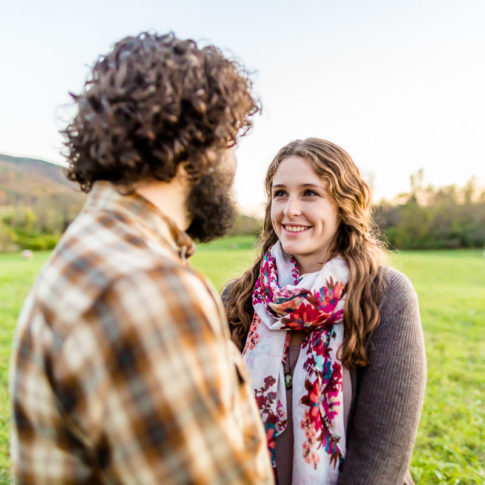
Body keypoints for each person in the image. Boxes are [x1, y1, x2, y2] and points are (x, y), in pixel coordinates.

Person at [9, 32, 274, 484]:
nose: (234, 164)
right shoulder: (145, 286)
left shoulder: (92, 253)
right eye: (230, 138)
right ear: (194, 141)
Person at [223, 138, 426, 485]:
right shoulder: (238, 297)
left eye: (310, 193)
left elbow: (383, 452)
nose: (290, 210)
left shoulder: (386, 295)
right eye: (280, 193)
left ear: (343, 205)